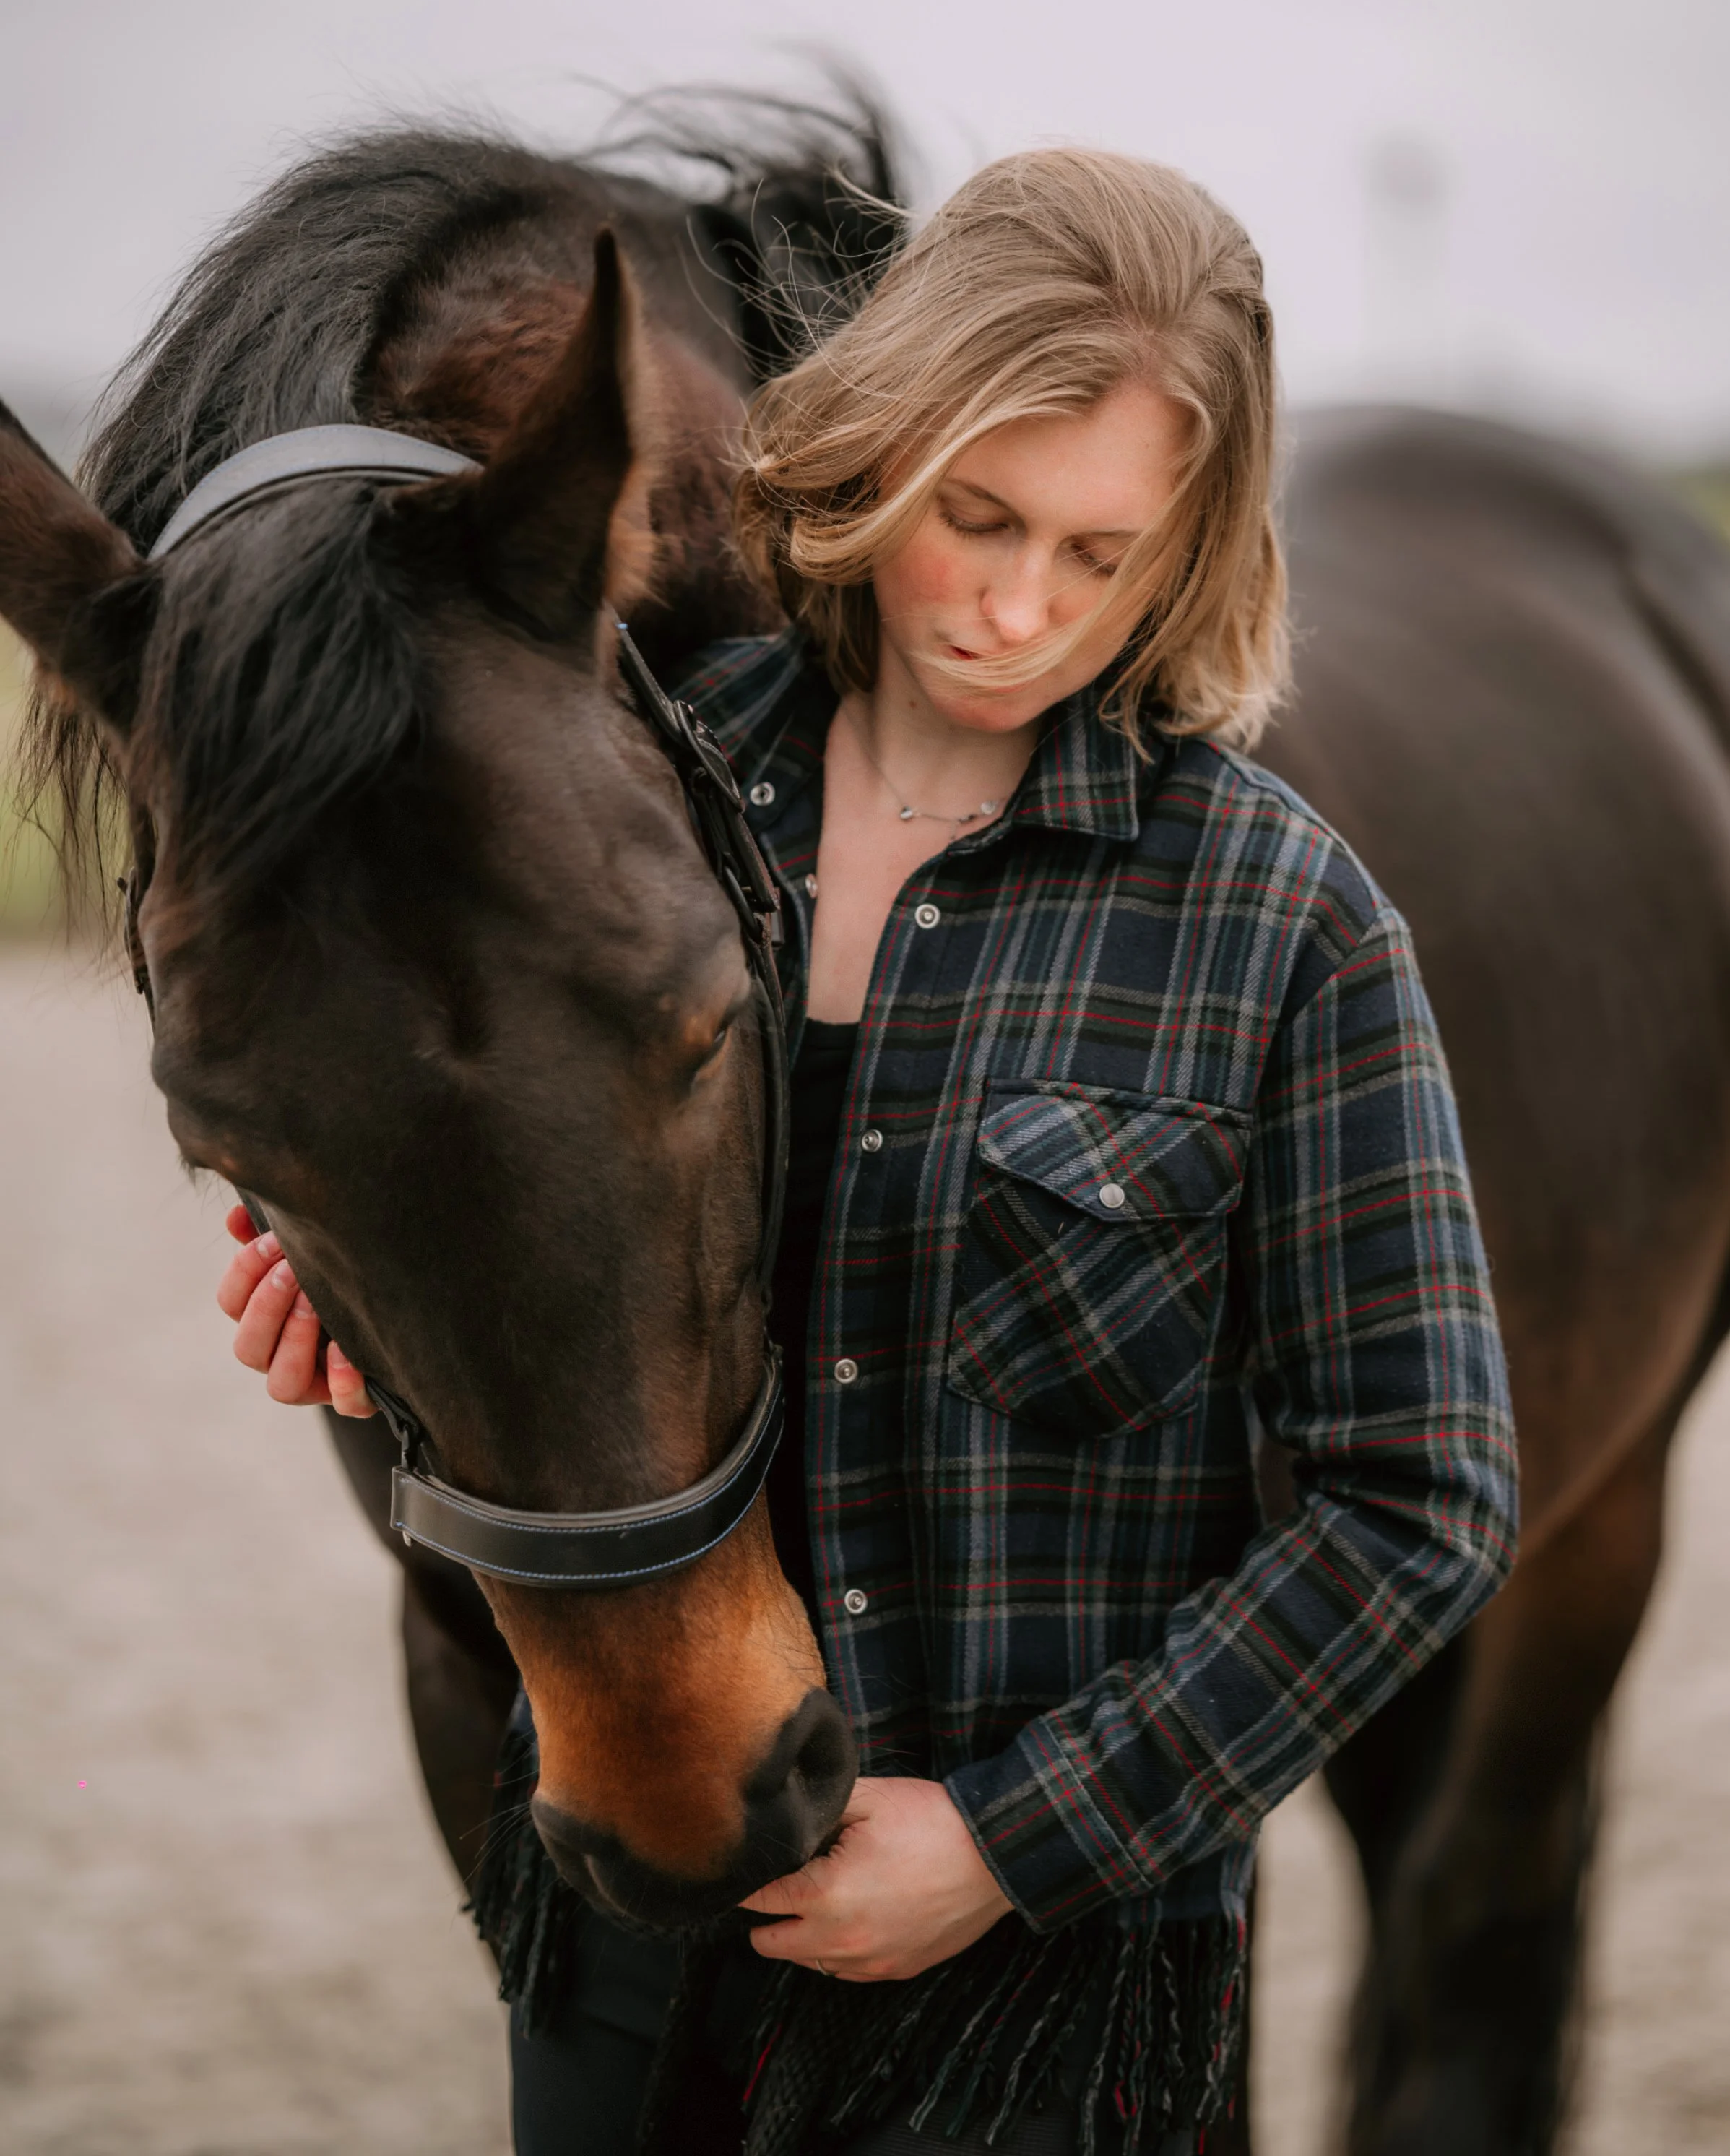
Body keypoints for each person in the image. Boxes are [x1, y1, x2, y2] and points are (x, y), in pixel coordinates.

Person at [217, 148, 1518, 2155]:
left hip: (1041, 1996)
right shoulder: (635, 799)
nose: (1017, 608)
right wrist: (357, 1285)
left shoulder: (1282, 921)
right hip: (630, 1941)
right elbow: (477, 1161)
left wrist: (1012, 1842)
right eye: (978, 517)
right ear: (873, 445)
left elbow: (1418, 1502)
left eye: (1104, 555)